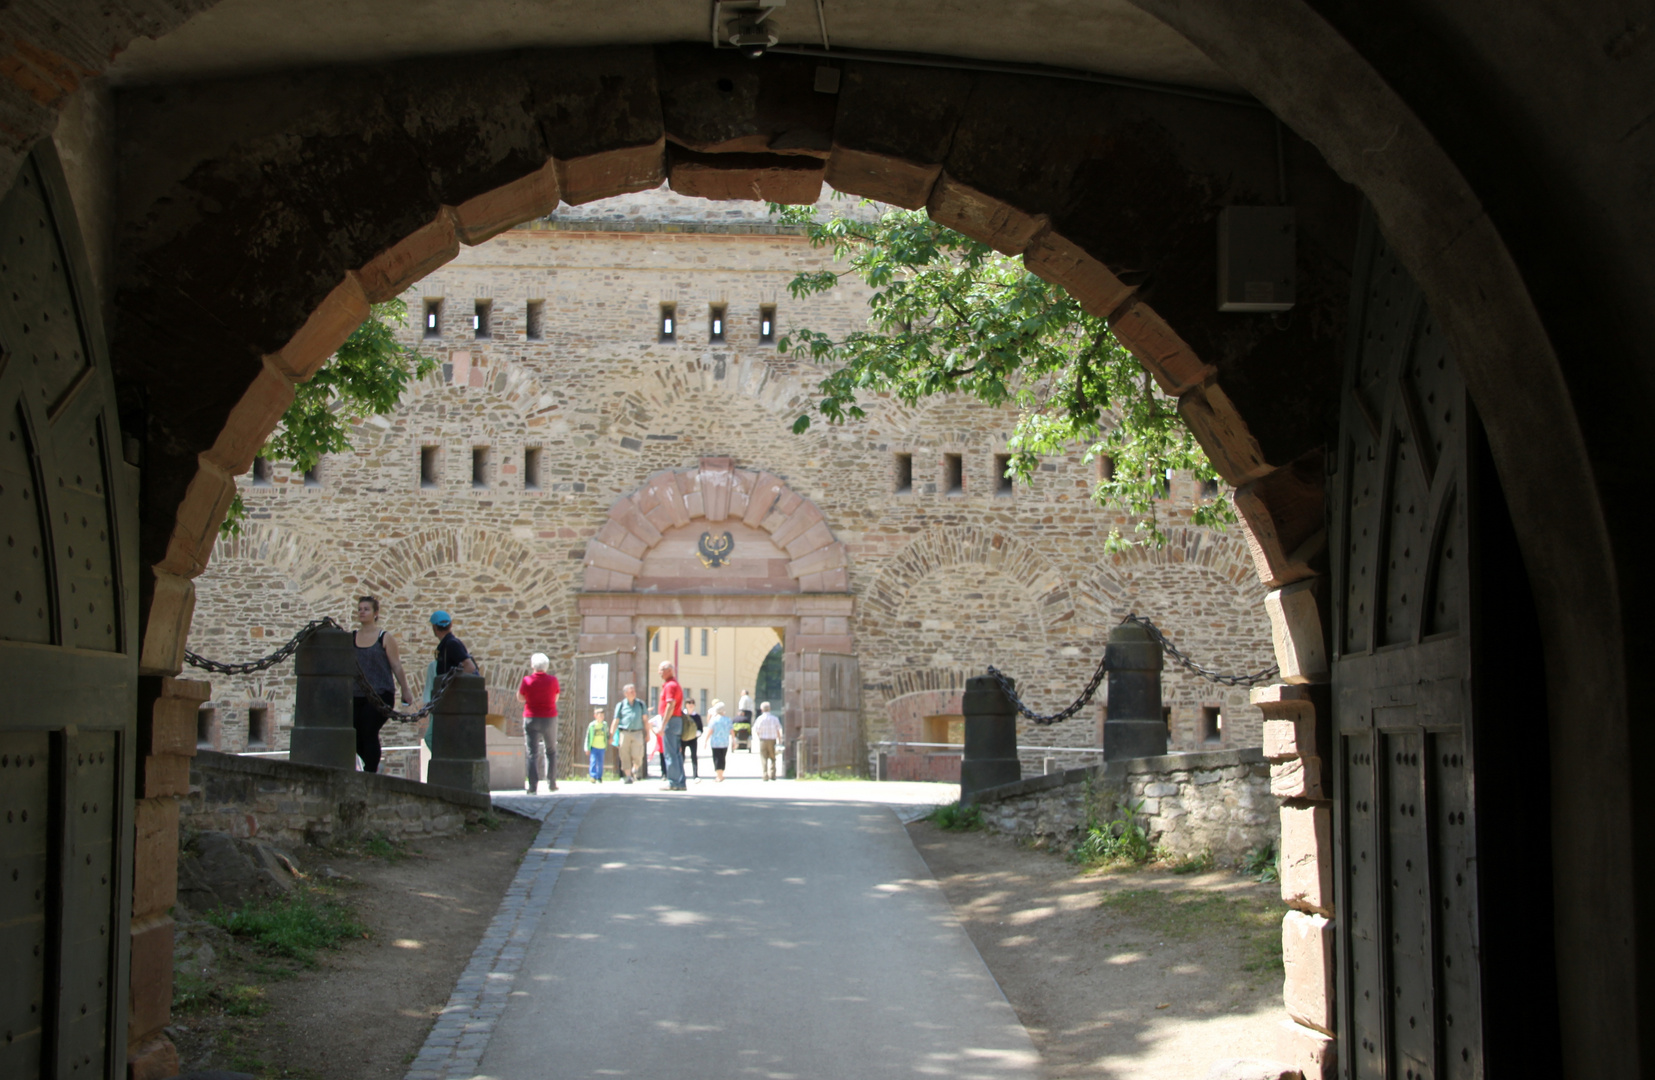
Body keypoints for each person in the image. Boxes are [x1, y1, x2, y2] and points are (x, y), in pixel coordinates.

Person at [351, 596, 413, 773]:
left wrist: (405, 690)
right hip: (357, 694)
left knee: (369, 728)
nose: (362, 612)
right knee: (355, 732)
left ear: (375, 613)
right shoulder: (352, 637)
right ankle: (369, 765)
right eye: (360, 609)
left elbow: (396, 665)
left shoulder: (384, 638)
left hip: (380, 693)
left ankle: (371, 771)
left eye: (366, 609)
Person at [517, 652, 559, 793]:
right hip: (549, 717)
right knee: (551, 750)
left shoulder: (527, 680)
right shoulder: (553, 680)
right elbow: (556, 697)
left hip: (531, 717)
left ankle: (532, 787)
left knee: (532, 752)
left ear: (532, 666)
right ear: (546, 667)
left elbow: (520, 697)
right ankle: (552, 783)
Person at [609, 683, 647, 784]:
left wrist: (648, 733)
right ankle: (628, 776)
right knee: (624, 754)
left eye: (634, 691)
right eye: (631, 691)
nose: (634, 693)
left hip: (637, 732)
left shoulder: (640, 704)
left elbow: (645, 720)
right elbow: (616, 720)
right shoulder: (621, 705)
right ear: (626, 693)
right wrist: (611, 735)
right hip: (624, 733)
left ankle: (636, 767)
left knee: (638, 754)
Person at [657, 660, 686, 791]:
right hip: (676, 720)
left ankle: (673, 781)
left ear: (669, 670)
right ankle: (680, 781)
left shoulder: (670, 686)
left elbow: (670, 705)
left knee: (670, 753)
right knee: (676, 753)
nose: (659, 673)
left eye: (661, 670)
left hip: (671, 720)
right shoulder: (674, 684)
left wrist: (663, 725)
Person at [753, 702, 784, 781]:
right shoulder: (774, 718)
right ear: (769, 709)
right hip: (772, 740)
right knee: (773, 757)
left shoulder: (760, 718)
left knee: (763, 757)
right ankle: (773, 774)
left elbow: (757, 729)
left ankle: (765, 774)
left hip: (763, 740)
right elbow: (778, 729)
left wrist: (759, 736)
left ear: (762, 709)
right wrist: (780, 739)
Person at [706, 700, 734, 782]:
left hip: (715, 742)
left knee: (716, 758)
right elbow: (732, 731)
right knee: (722, 758)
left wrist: (706, 740)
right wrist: (734, 740)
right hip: (725, 742)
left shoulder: (713, 720)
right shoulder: (728, 720)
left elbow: (710, 730)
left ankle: (719, 775)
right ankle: (721, 774)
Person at [680, 694, 703, 781]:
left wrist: (697, 733)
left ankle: (695, 775)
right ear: (685, 704)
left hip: (693, 739)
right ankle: (681, 775)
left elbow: (700, 728)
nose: (690, 705)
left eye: (692, 703)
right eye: (689, 703)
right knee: (682, 757)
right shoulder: (682, 715)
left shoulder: (696, 716)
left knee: (694, 756)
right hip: (683, 739)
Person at [585, 708, 608, 782]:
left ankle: (599, 777)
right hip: (594, 747)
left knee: (600, 762)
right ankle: (593, 776)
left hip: (602, 746)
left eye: (602, 715)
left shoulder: (604, 725)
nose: (601, 717)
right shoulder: (592, 725)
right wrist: (587, 748)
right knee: (593, 761)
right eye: (600, 715)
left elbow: (607, 734)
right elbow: (588, 737)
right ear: (595, 716)